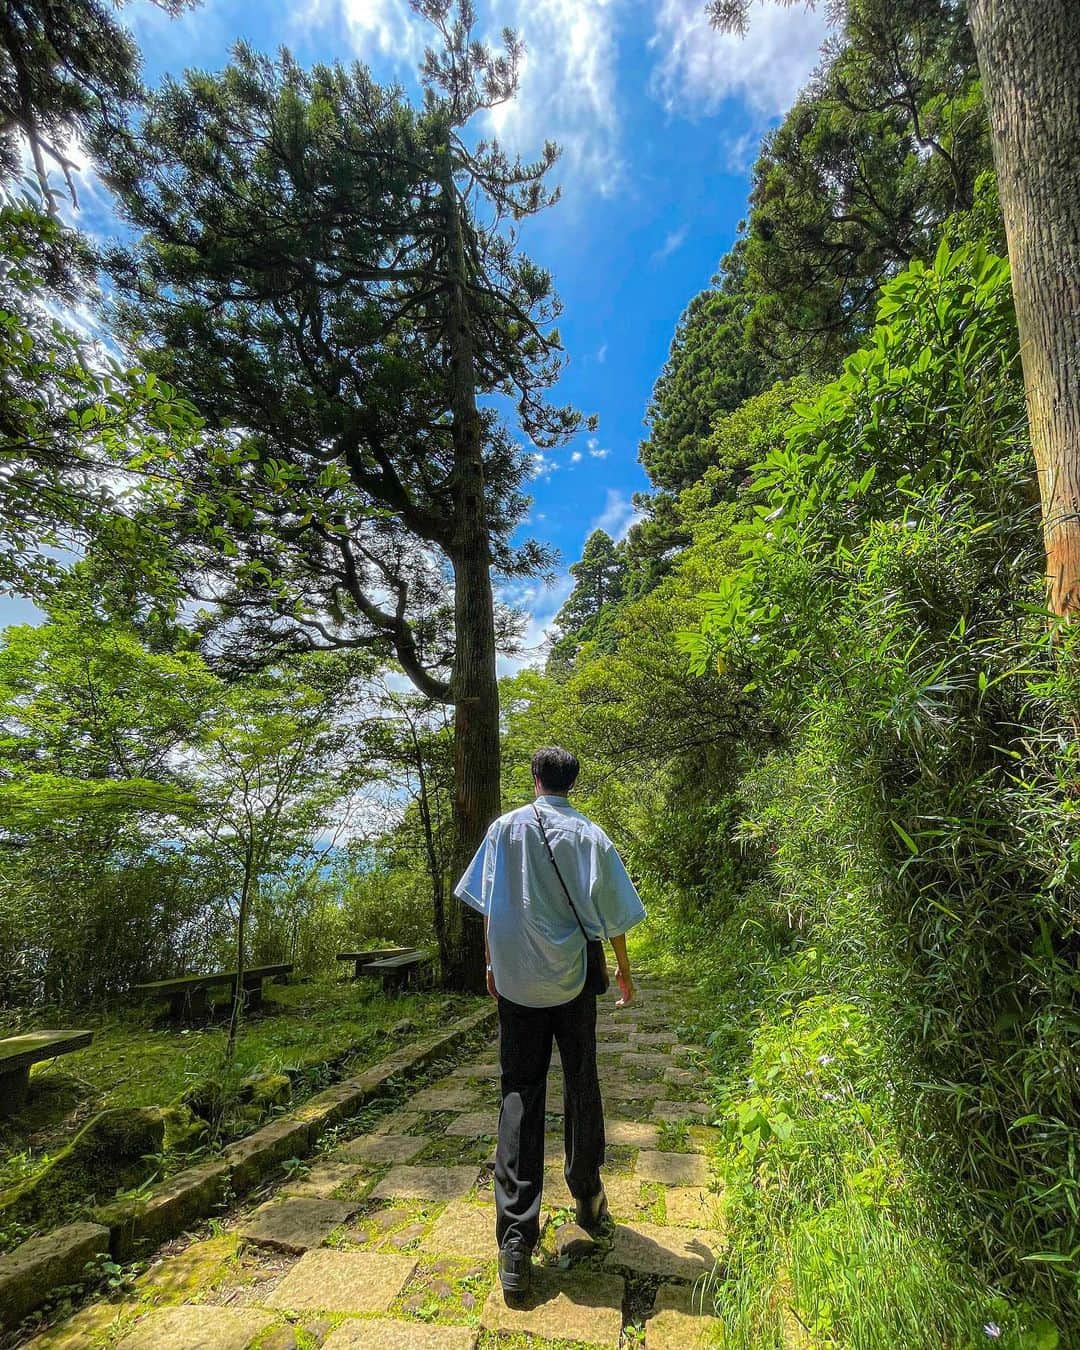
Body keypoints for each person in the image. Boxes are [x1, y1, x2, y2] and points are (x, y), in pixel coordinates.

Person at [453, 745, 646, 1297]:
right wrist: (625, 971)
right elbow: (614, 912)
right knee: (581, 1082)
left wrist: (492, 964)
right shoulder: (590, 835)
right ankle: (587, 1196)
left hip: (516, 982)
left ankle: (515, 1243)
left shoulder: (504, 829)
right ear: (572, 782)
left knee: (519, 1094)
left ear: (535, 779)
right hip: (574, 980)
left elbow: (488, 901)